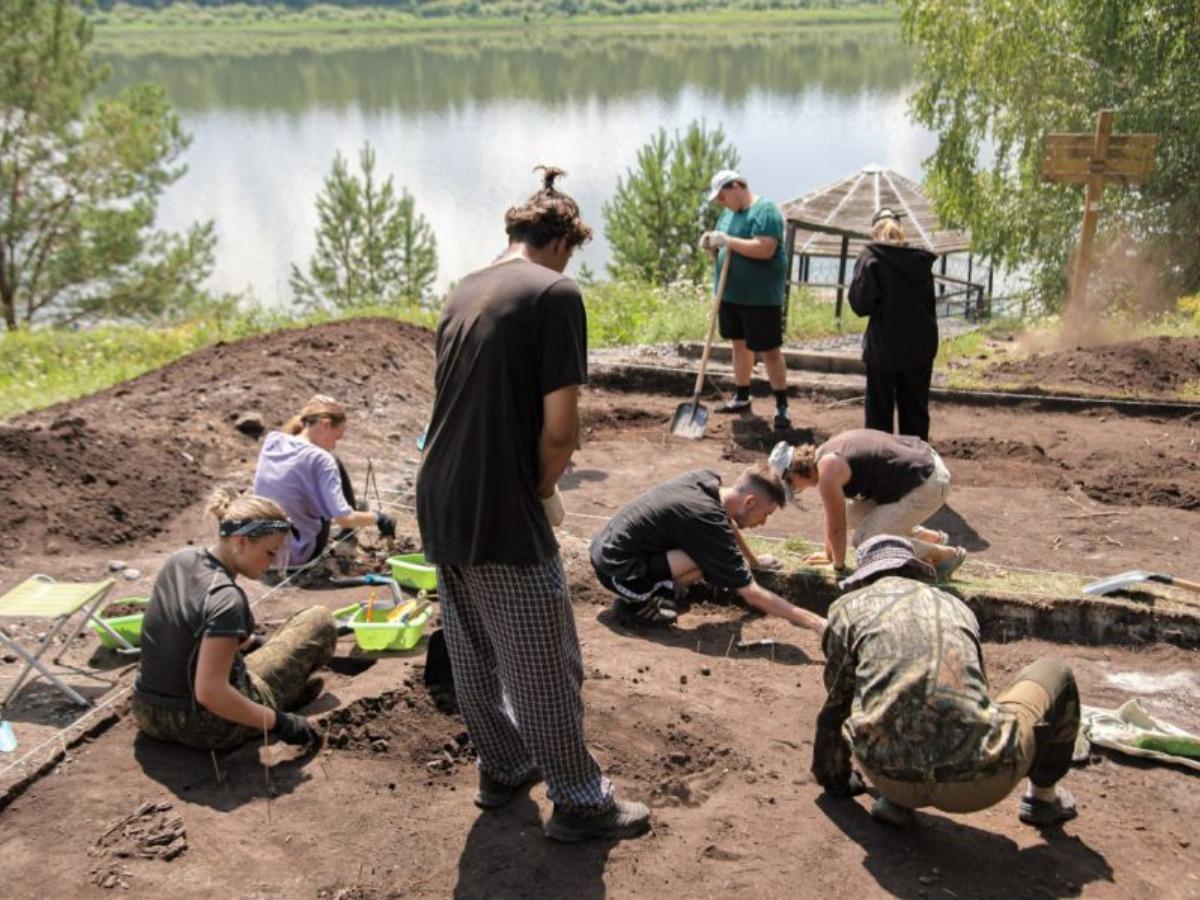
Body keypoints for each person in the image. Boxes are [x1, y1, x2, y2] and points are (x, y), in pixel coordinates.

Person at [415, 166, 650, 844]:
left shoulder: (464, 289)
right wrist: (540, 490)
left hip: (439, 489)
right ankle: (579, 801)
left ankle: (503, 766)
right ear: (564, 243)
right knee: (544, 658)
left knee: (473, 645)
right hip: (498, 498)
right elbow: (561, 430)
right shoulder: (555, 293)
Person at [812, 535, 1081, 829]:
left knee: (885, 688)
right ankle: (1043, 799)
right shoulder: (956, 607)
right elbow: (971, 690)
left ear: (863, 578)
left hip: (887, 774)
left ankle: (899, 802)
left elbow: (837, 703)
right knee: (1055, 672)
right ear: (916, 570)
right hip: (981, 782)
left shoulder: (847, 609)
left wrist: (833, 777)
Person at [132, 490, 336, 751]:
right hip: (210, 726)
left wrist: (251, 643)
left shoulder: (178, 561)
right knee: (318, 621)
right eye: (270, 552)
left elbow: (185, 632)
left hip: (146, 713)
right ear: (241, 542)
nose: (273, 562)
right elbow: (210, 692)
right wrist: (280, 723)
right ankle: (280, 702)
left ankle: (286, 690)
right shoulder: (227, 599)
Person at [590, 463, 827, 636]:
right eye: (766, 514)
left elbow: (728, 524)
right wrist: (817, 624)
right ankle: (635, 606)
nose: (763, 523)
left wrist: (754, 561)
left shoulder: (707, 481)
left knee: (710, 558)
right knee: (707, 559)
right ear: (749, 502)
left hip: (608, 546)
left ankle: (659, 590)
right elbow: (751, 593)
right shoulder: (705, 518)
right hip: (617, 570)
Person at [769, 428, 966, 578]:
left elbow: (837, 528)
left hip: (928, 482)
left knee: (865, 540)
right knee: (850, 515)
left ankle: (943, 555)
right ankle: (930, 538)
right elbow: (836, 518)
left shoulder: (828, 472)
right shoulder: (825, 453)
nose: (796, 490)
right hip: (923, 463)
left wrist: (837, 566)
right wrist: (828, 553)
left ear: (793, 474)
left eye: (792, 485)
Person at [253, 394, 395, 581]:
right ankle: (349, 533)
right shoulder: (322, 459)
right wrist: (379, 517)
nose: (334, 445)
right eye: (337, 437)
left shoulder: (273, 440)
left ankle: (346, 522)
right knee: (333, 470)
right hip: (295, 556)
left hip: (260, 550)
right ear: (325, 425)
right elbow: (344, 519)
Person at [699, 169, 791, 433]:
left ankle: (782, 405)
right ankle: (741, 396)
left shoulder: (765, 211)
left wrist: (728, 240)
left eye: (722, 196)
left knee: (769, 350)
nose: (721, 202)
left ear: (736, 186)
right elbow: (722, 251)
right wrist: (711, 246)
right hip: (730, 294)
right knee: (738, 345)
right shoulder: (727, 215)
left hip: (760, 297)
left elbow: (765, 248)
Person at [848, 208, 939, 440]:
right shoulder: (920, 260)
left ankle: (881, 460)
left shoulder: (871, 256)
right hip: (919, 347)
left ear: (874, 232)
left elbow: (860, 305)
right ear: (901, 230)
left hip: (884, 348)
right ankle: (916, 460)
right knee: (915, 414)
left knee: (878, 416)